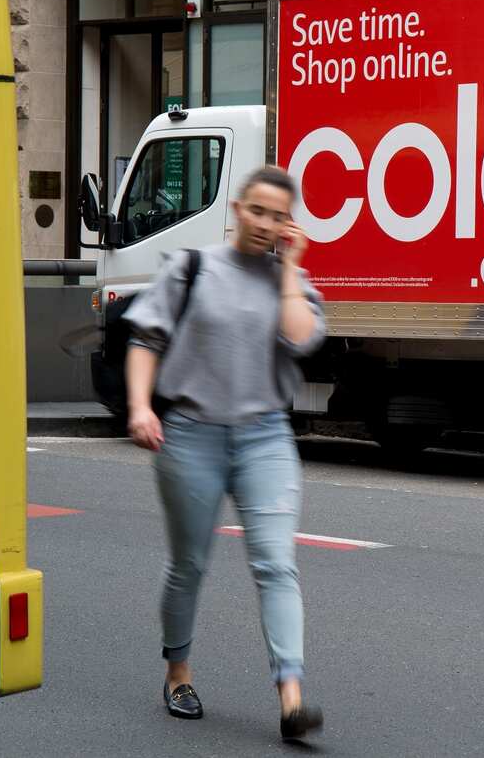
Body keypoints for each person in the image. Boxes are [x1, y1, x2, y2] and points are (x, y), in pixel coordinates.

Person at [123, 165, 326, 742]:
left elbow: (301, 338)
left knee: (276, 563)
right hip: (190, 435)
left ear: (291, 224)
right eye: (257, 211)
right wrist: (141, 406)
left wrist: (289, 270)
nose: (266, 224)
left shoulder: (293, 282)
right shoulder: (192, 268)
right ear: (237, 209)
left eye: (279, 216)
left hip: (265, 437)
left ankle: (291, 698)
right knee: (189, 564)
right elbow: (146, 339)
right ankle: (178, 673)